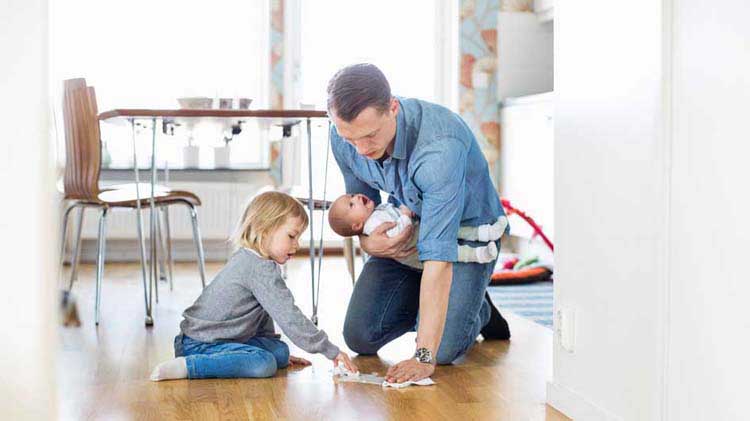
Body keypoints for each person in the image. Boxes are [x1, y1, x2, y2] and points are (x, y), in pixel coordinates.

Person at [328, 63, 511, 384]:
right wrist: (369, 243)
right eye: (350, 138)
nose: (361, 149)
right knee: (360, 336)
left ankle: (475, 308)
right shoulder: (343, 134)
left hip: (464, 241)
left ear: (393, 108)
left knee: (441, 352)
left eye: (370, 136)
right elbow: (361, 207)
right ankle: (450, 302)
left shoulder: (439, 148)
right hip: (407, 231)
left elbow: (438, 259)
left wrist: (423, 355)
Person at [150, 191, 357, 381]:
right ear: (264, 230)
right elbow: (290, 317)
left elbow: (264, 311)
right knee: (263, 363)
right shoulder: (258, 268)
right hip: (200, 344)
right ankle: (189, 366)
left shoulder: (254, 260)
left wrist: (272, 347)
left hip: (223, 338)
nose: (297, 245)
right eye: (291, 236)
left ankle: (242, 356)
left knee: (280, 353)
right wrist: (330, 350)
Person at [328, 192, 508, 268]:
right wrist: (405, 214)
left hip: (420, 232)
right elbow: (399, 233)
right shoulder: (374, 225)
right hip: (417, 247)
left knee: (455, 230)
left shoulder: (375, 213)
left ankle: (487, 232)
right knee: (449, 251)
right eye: (352, 204)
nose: (357, 197)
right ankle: (480, 254)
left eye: (352, 196)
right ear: (357, 226)